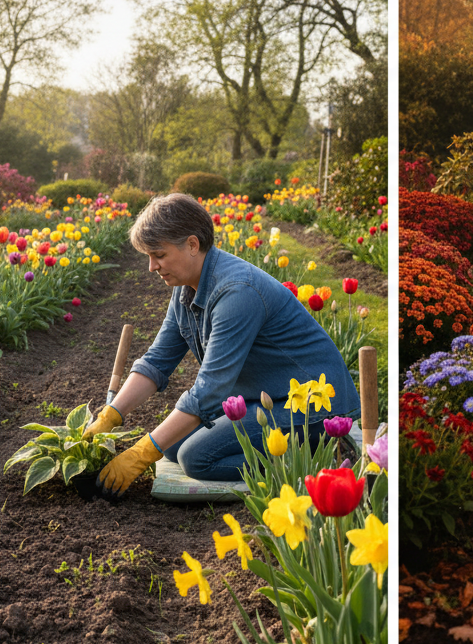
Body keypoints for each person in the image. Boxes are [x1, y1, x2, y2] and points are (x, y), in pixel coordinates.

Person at [88, 194, 359, 495]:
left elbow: (210, 390)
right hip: (266, 397)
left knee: (196, 458)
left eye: (159, 255)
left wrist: (142, 452)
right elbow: (156, 362)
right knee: (173, 445)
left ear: (192, 244)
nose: (152, 266)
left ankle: (319, 455)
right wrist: (109, 415)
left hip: (311, 406)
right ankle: (297, 450)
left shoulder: (237, 292)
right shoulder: (186, 289)